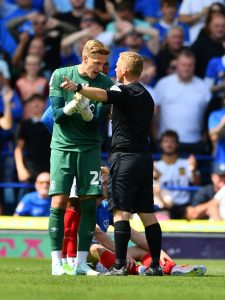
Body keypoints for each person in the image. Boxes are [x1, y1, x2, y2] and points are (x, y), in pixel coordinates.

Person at [61, 51, 163, 276]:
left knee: (120, 212)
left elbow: (103, 94)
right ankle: (156, 265)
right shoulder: (146, 95)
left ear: (124, 70)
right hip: (144, 159)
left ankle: (119, 266)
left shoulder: (121, 89)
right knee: (147, 214)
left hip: (124, 158)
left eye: (116, 65)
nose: (114, 69)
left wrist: (78, 88)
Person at [48, 39, 113, 276]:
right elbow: (56, 115)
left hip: (89, 150)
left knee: (88, 206)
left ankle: (81, 264)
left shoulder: (106, 84)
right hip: (63, 147)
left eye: (104, 63)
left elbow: (98, 124)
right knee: (58, 204)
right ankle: (57, 263)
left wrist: (86, 113)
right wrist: (70, 108)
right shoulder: (60, 75)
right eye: (97, 62)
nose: (100, 68)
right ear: (84, 58)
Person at [154, 49, 211, 155]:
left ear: (194, 66)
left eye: (190, 65)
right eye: (183, 65)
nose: (187, 68)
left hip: (194, 142)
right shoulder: (163, 84)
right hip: (166, 143)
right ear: (177, 64)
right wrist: (156, 139)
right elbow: (155, 114)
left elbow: (208, 116)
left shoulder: (204, 87)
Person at [154, 130, 201, 219]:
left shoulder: (186, 163)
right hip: (162, 205)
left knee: (195, 214)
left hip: (183, 206)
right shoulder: (156, 166)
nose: (169, 144)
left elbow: (197, 183)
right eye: (166, 141)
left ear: (177, 144)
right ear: (161, 144)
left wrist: (194, 169)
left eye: (172, 141)